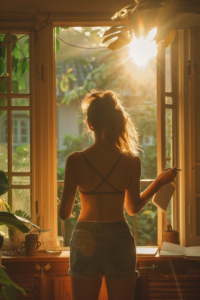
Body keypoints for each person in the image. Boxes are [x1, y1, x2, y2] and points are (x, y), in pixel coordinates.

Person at [59, 90, 177, 300]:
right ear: (116, 123)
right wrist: (158, 181)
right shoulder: (131, 161)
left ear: (90, 124)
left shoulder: (75, 160)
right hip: (119, 238)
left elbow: (64, 214)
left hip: (85, 235)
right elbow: (132, 209)